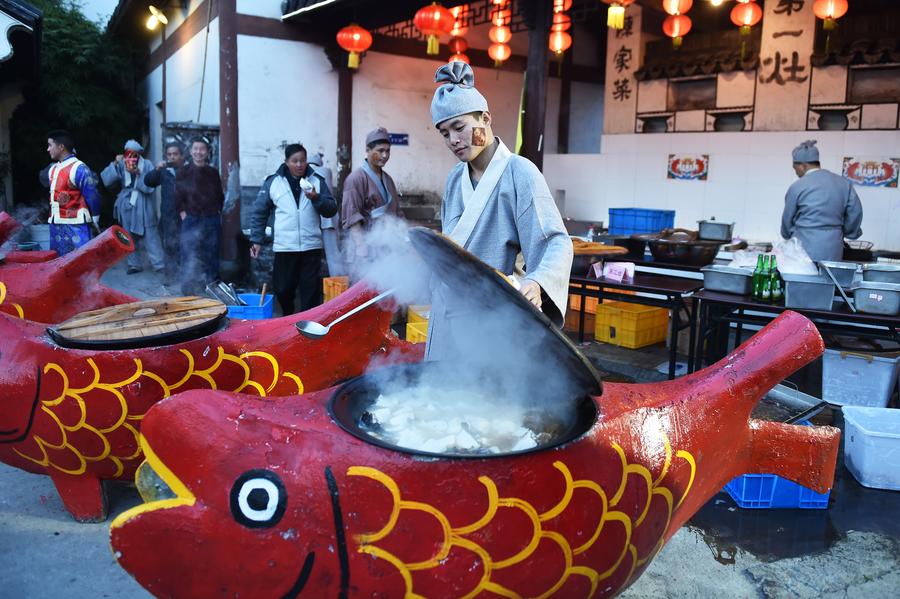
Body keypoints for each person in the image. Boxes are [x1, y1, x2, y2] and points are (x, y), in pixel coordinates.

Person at [425, 62, 573, 360]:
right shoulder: (455, 179)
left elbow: (555, 241)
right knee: (442, 398)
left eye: (460, 127)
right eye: (444, 133)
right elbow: (449, 245)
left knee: (490, 399)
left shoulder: (520, 173)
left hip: (496, 316)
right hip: (451, 312)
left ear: (485, 118)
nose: (453, 140)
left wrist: (538, 281)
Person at [249, 144, 338, 314]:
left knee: (310, 291)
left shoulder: (317, 181)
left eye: (302, 160)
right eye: (294, 161)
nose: (299, 165)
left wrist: (316, 198)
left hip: (311, 246)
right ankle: (288, 316)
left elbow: (331, 209)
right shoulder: (273, 182)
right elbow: (259, 212)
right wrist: (256, 240)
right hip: (285, 247)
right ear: (286, 162)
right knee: (283, 290)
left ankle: (308, 324)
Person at [781, 140, 864, 263]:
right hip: (833, 248)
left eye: (795, 168)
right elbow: (855, 212)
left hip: (802, 248)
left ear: (802, 165)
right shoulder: (843, 183)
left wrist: (788, 234)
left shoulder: (798, 186)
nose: (796, 173)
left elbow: (787, 220)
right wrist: (846, 232)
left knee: (802, 281)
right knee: (829, 279)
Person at [340, 127, 403, 278]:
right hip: (364, 244)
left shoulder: (388, 179)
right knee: (364, 292)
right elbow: (352, 215)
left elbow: (396, 212)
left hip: (384, 244)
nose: (385, 155)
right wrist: (361, 247)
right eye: (380, 150)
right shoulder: (356, 178)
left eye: (388, 151)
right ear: (368, 150)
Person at [101, 140, 165, 275]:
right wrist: (114, 164)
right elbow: (107, 181)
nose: (131, 157)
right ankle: (134, 264)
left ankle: (159, 263)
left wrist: (138, 174)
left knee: (151, 232)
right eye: (128, 153)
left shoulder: (147, 164)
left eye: (134, 154)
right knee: (127, 234)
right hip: (126, 203)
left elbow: (150, 185)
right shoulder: (121, 163)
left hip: (144, 202)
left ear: (139, 154)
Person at [175, 137, 224, 295]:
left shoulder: (213, 172)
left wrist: (217, 212)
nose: (198, 152)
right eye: (195, 149)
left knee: (212, 253)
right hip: (191, 218)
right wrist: (183, 213)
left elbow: (219, 195)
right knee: (188, 252)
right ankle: (188, 290)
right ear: (190, 151)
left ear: (207, 152)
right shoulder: (183, 171)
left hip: (211, 218)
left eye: (202, 149)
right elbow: (177, 195)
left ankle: (213, 287)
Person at [43, 130, 101, 255]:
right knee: (58, 262)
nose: (48, 149)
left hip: (76, 224)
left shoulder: (79, 167)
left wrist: (95, 216)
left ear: (61, 147)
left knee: (80, 260)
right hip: (56, 223)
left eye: (50, 145)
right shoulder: (52, 169)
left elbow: (92, 195)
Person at [144, 141, 186, 285]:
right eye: (169, 154)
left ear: (181, 156)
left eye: (175, 154)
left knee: (186, 244)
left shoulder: (187, 170)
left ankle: (187, 276)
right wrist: (157, 169)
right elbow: (148, 181)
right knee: (169, 246)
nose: (172, 157)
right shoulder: (164, 171)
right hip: (168, 215)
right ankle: (171, 277)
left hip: (186, 215)